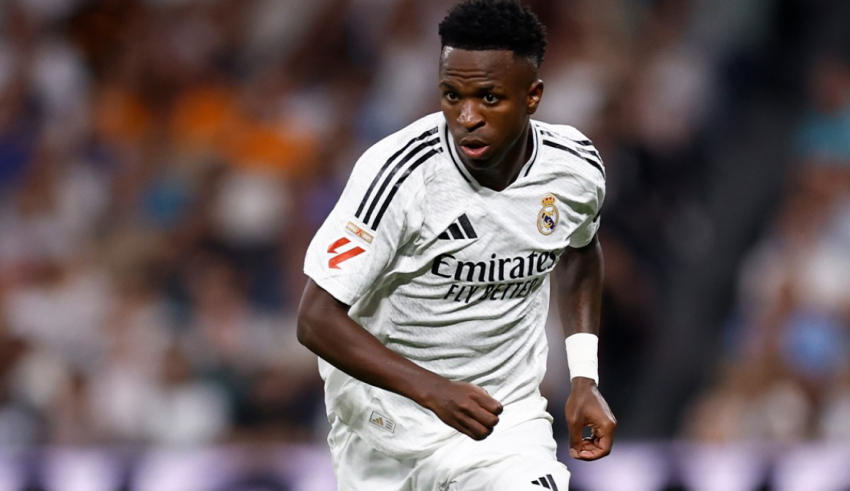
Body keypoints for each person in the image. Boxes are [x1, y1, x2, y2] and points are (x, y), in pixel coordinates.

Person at [297, 1, 617, 489]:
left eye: (489, 98)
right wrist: (434, 391)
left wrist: (584, 378)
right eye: (452, 95)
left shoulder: (574, 169)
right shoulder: (400, 175)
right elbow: (315, 319)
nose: (466, 117)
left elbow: (579, 249)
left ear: (532, 96)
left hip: (503, 420)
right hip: (386, 424)